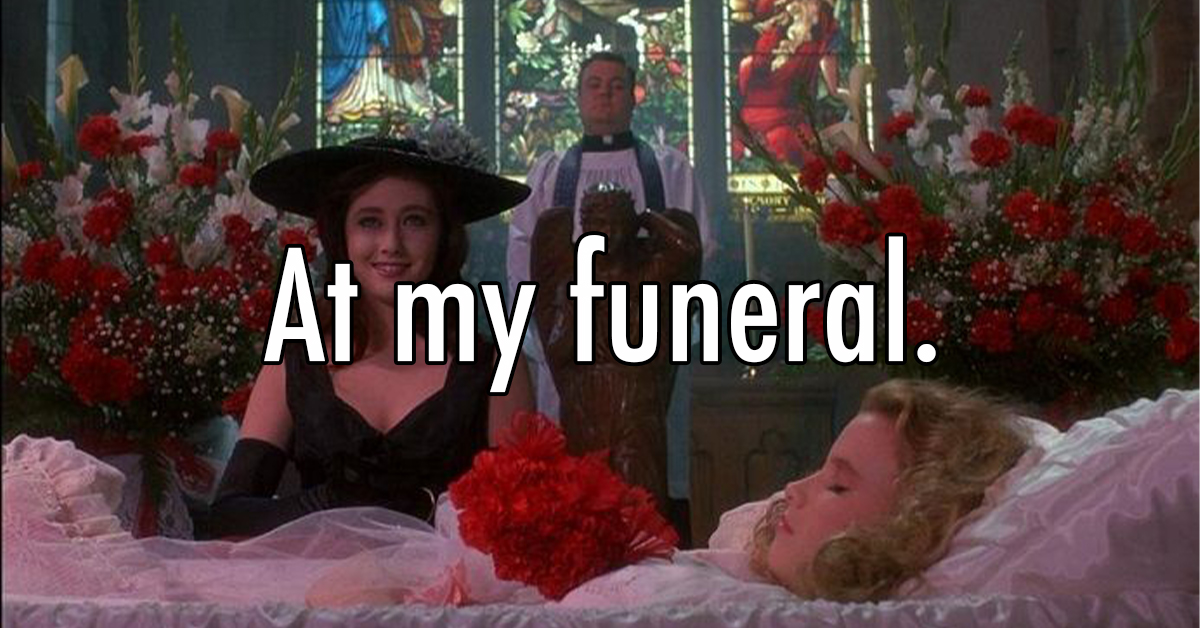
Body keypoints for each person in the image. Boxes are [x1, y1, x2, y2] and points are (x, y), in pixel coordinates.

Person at [3, 379, 1039, 608]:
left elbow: (516, 476)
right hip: (343, 541)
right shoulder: (301, 344)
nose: (794, 490)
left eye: (836, 481)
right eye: (369, 222)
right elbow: (241, 497)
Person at [194, 122, 536, 539]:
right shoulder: (294, 358)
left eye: (414, 221)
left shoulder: (497, 366)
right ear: (342, 236)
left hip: (449, 580)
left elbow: (526, 523)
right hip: (314, 578)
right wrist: (329, 505)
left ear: (443, 236)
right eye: (370, 222)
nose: (391, 243)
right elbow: (228, 517)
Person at [506, 50, 715, 543]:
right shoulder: (551, 172)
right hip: (575, 349)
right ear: (579, 97)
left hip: (647, 342)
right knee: (575, 473)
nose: (605, 93)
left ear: (633, 97)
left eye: (617, 84)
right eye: (595, 84)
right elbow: (523, 252)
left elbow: (696, 247)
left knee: (648, 467)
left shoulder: (667, 167)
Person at [530, 183, 701, 510]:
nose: (607, 234)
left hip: (635, 394)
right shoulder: (574, 281)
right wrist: (573, 310)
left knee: (640, 497)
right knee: (587, 503)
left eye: (616, 223)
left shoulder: (647, 274)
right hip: (585, 396)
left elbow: (687, 250)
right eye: (597, 225)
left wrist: (648, 217)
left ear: (631, 225)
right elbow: (559, 351)